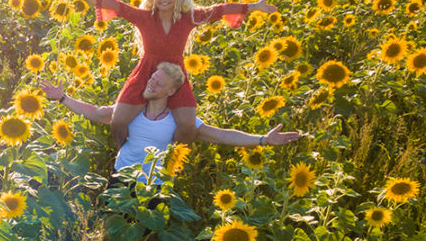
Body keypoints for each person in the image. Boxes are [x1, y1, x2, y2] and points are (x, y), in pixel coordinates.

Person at [67, 0, 277, 147]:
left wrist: (254, 6)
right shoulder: (144, 17)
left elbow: (220, 9)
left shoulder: (189, 18)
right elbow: (117, 6)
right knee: (118, 121)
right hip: (146, 73)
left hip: (176, 77)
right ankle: (124, 154)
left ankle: (166, 155)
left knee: (188, 128)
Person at [40, 62, 301, 182]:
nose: (151, 83)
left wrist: (263, 140)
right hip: (121, 177)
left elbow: (221, 135)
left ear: (171, 92)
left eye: (159, 83)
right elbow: (97, 113)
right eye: (152, 78)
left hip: (154, 186)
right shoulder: (132, 109)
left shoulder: (180, 121)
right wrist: (61, 97)